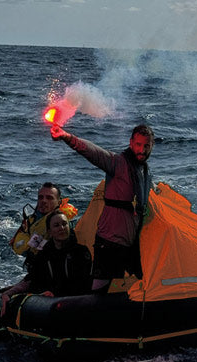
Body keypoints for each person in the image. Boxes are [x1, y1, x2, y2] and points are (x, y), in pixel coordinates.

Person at [50, 123, 154, 293]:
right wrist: (67, 137)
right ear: (131, 143)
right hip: (109, 242)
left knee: (132, 286)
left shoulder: (144, 171)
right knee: (99, 291)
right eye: (138, 144)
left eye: (146, 146)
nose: (142, 150)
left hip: (131, 244)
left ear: (152, 146)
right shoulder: (118, 163)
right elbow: (94, 152)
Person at [1, 209, 93, 315]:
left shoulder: (81, 252)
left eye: (64, 224)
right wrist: (9, 293)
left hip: (77, 303)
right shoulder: (44, 254)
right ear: (49, 231)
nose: (62, 228)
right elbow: (32, 278)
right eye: (56, 225)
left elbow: (82, 283)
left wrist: (54, 292)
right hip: (50, 303)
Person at [9, 182, 77, 256]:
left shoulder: (58, 224)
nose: (44, 201)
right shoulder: (33, 218)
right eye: (41, 197)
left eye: (49, 198)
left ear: (59, 202)